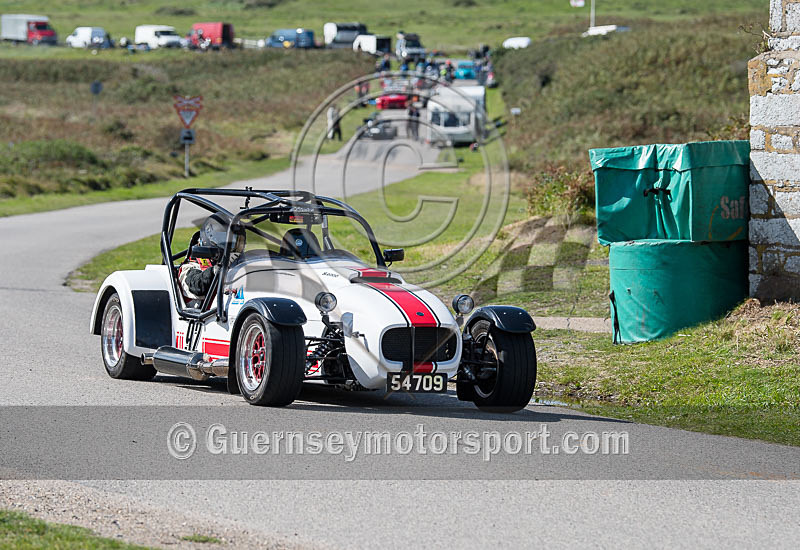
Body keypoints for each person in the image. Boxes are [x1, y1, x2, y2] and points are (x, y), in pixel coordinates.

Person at [178, 214, 243, 307]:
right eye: (222, 239)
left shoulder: (238, 263)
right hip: (206, 318)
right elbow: (197, 286)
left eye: (234, 241)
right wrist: (215, 270)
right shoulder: (190, 267)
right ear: (207, 238)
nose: (228, 244)